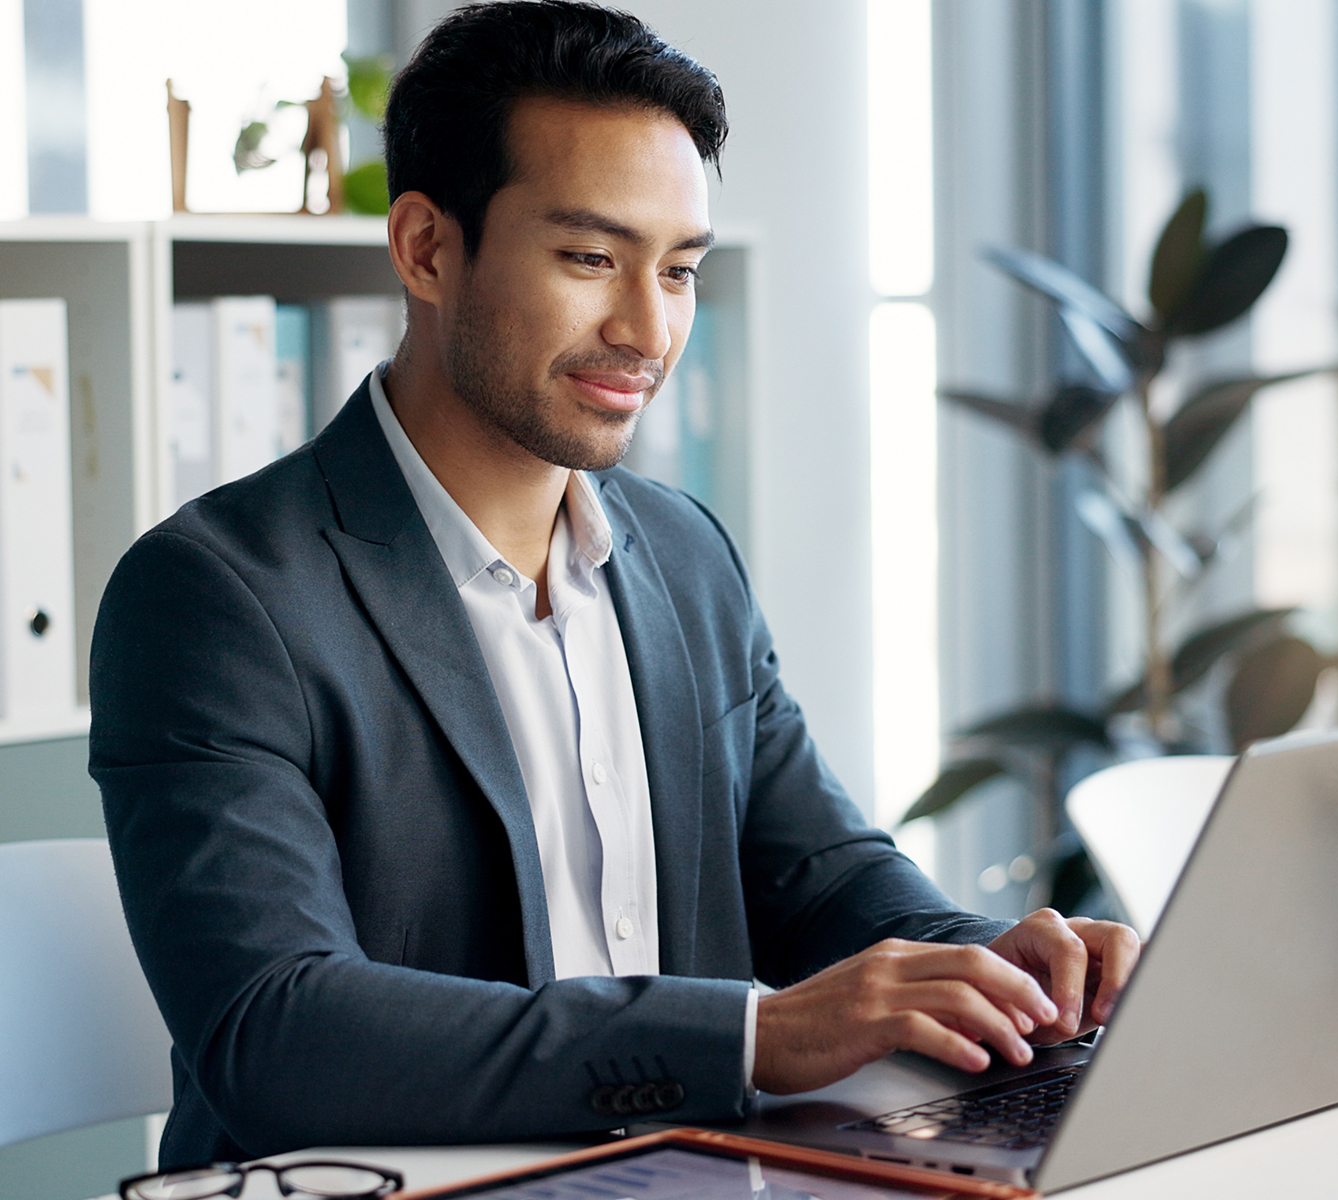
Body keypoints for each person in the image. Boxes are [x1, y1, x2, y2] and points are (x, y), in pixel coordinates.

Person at [89, 0, 1140, 1167]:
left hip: (683, 1175)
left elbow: (820, 875)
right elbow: (278, 1035)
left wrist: (1001, 962)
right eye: (591, 258)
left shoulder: (683, 555)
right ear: (427, 247)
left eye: (679, 269)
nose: (646, 328)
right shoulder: (214, 596)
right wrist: (752, 1036)